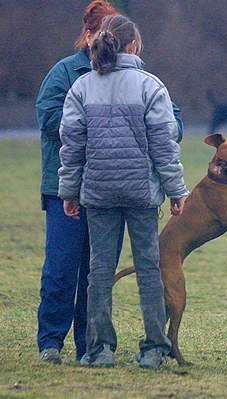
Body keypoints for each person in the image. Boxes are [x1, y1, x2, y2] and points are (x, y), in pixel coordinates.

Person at [36, 1, 185, 366]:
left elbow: (71, 148)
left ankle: (99, 349)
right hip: (140, 193)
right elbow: (164, 144)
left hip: (97, 194)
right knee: (148, 269)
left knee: (98, 273)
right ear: (132, 45)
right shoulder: (150, 86)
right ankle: (153, 349)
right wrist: (177, 191)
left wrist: (68, 193)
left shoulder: (82, 86)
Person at [35, 0, 121, 365]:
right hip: (65, 188)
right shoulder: (63, 73)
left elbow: (171, 118)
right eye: (106, 35)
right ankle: (50, 341)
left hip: (109, 188)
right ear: (88, 35)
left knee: (97, 272)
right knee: (62, 267)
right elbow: (49, 116)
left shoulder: (129, 73)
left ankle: (90, 344)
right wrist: (97, 128)